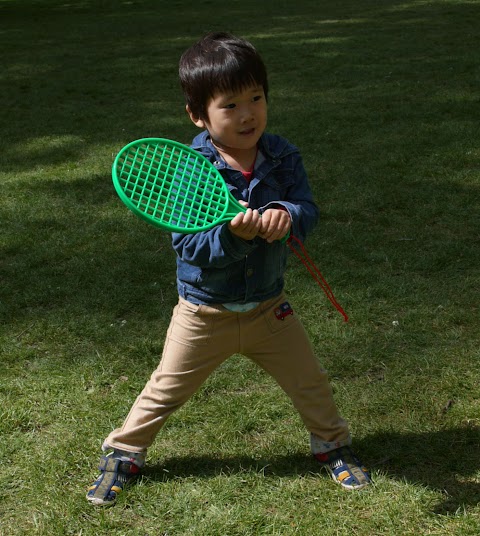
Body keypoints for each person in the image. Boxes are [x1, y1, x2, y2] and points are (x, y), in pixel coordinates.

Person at [86, 32, 370, 506]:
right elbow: (189, 244)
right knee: (164, 390)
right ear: (199, 115)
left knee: (310, 381)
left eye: (256, 98)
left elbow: (307, 210)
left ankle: (333, 446)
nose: (247, 114)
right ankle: (123, 452)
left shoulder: (282, 155)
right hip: (203, 315)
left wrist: (285, 213)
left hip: (268, 309)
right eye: (230, 105)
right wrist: (233, 237)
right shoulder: (191, 169)